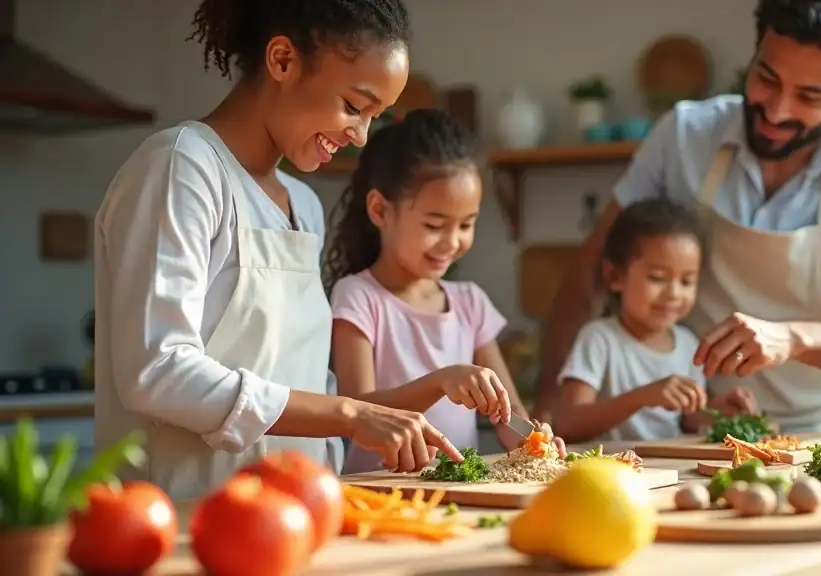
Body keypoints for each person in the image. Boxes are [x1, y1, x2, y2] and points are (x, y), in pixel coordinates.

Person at [93, 0, 464, 501]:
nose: (360, 136)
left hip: (294, 514)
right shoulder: (182, 168)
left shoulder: (303, 205)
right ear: (283, 60)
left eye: (374, 117)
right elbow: (156, 369)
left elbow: (302, 383)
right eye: (354, 107)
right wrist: (352, 415)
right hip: (181, 516)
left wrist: (377, 419)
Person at [536, 0, 821, 434]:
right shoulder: (683, 136)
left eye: (810, 95)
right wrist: (551, 405)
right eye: (766, 79)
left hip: (812, 431)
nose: (776, 111)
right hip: (692, 430)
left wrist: (792, 339)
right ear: (753, 57)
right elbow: (591, 271)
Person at [323, 109, 566, 474]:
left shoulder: (469, 302)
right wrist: (439, 382)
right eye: (435, 225)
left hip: (457, 489)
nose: (452, 242)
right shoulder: (358, 296)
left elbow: (508, 416)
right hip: (378, 488)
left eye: (467, 224)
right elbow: (357, 408)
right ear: (380, 210)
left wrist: (534, 439)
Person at [554, 199, 758, 444]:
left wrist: (718, 412)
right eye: (658, 278)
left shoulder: (689, 344)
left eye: (686, 281)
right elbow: (567, 424)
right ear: (615, 276)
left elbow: (688, 419)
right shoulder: (599, 339)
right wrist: (643, 397)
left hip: (671, 473)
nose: (674, 294)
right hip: (611, 473)